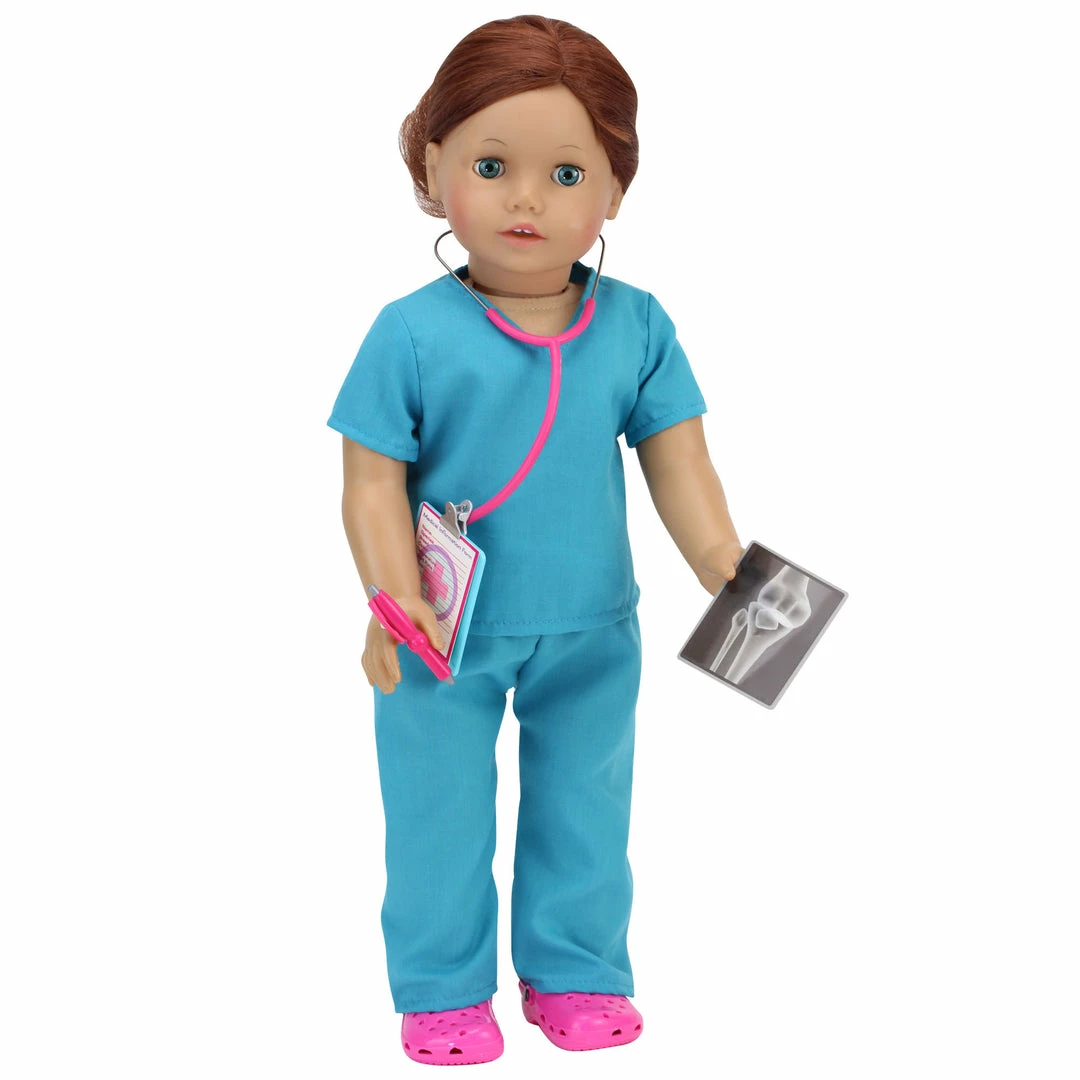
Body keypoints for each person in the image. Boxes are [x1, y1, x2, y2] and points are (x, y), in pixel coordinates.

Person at [328, 15, 742, 1065]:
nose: (527, 200)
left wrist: (724, 565)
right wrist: (392, 596)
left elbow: (681, 460)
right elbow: (370, 481)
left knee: (586, 807)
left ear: (616, 191)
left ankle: (576, 971)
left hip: (593, 625)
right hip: (439, 630)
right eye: (490, 166)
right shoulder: (409, 332)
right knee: (437, 813)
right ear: (432, 168)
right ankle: (442, 990)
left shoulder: (636, 326)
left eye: (566, 173)